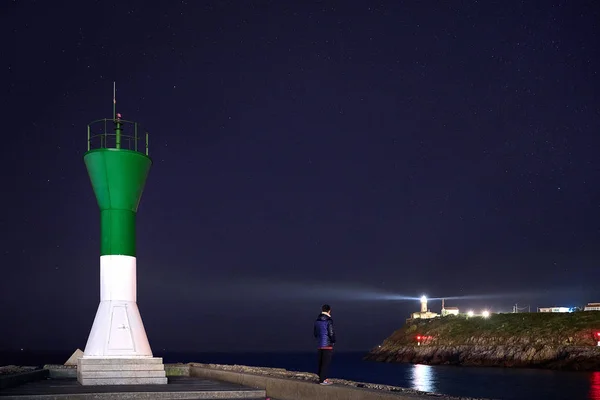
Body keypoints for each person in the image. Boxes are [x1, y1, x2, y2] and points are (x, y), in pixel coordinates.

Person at [313, 304, 336, 385]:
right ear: (329, 310)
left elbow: (315, 333)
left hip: (320, 344)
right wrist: (333, 341)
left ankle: (321, 378)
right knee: (326, 363)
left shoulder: (317, 321)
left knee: (321, 362)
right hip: (327, 345)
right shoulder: (329, 320)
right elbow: (331, 333)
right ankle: (323, 380)